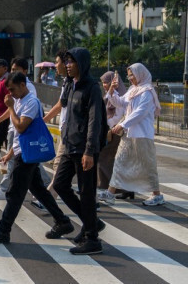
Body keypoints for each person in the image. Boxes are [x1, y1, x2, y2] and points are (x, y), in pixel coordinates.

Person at [0, 72, 73, 244]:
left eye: (13, 89)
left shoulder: (31, 102)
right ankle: (62, 221)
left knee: (15, 193)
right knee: (39, 190)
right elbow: (19, 136)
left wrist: (11, 109)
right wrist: (9, 154)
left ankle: (3, 230)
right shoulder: (18, 101)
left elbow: (21, 127)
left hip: (27, 156)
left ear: (23, 85)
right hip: (22, 152)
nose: (11, 94)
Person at [53, 47, 107, 255]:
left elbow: (95, 121)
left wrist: (89, 151)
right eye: (65, 61)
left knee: (86, 193)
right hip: (69, 145)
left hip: (84, 149)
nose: (67, 65)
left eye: (71, 62)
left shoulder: (91, 88)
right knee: (60, 184)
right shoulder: (71, 85)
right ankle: (90, 222)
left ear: (81, 64)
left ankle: (92, 238)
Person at [0, 58, 51, 206]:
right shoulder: (18, 92)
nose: (12, 73)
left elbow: (21, 124)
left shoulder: (28, 93)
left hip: (21, 133)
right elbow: (12, 110)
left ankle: (4, 190)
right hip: (18, 135)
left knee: (18, 183)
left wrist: (11, 109)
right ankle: (56, 209)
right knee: (34, 177)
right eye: (12, 70)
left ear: (24, 73)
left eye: (16, 70)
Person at [98, 63, 164, 206]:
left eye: (132, 75)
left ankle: (157, 195)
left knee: (147, 165)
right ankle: (110, 193)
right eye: (129, 75)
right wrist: (112, 90)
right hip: (129, 134)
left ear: (140, 74)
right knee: (120, 161)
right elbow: (120, 103)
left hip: (142, 135)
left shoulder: (147, 92)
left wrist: (122, 124)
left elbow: (139, 113)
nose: (130, 78)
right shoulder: (133, 90)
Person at [42, 49, 71, 200]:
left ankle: (49, 197)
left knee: (59, 164)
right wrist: (44, 120)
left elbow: (60, 104)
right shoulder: (67, 83)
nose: (55, 65)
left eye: (57, 62)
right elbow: (61, 104)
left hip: (72, 133)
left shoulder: (75, 83)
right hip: (67, 130)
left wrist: (43, 120)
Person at [96, 71, 127, 195]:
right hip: (109, 130)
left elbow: (119, 115)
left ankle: (111, 187)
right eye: (103, 82)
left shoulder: (118, 96)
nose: (104, 85)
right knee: (106, 159)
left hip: (114, 131)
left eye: (106, 82)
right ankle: (107, 185)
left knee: (105, 158)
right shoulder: (109, 94)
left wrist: (108, 125)